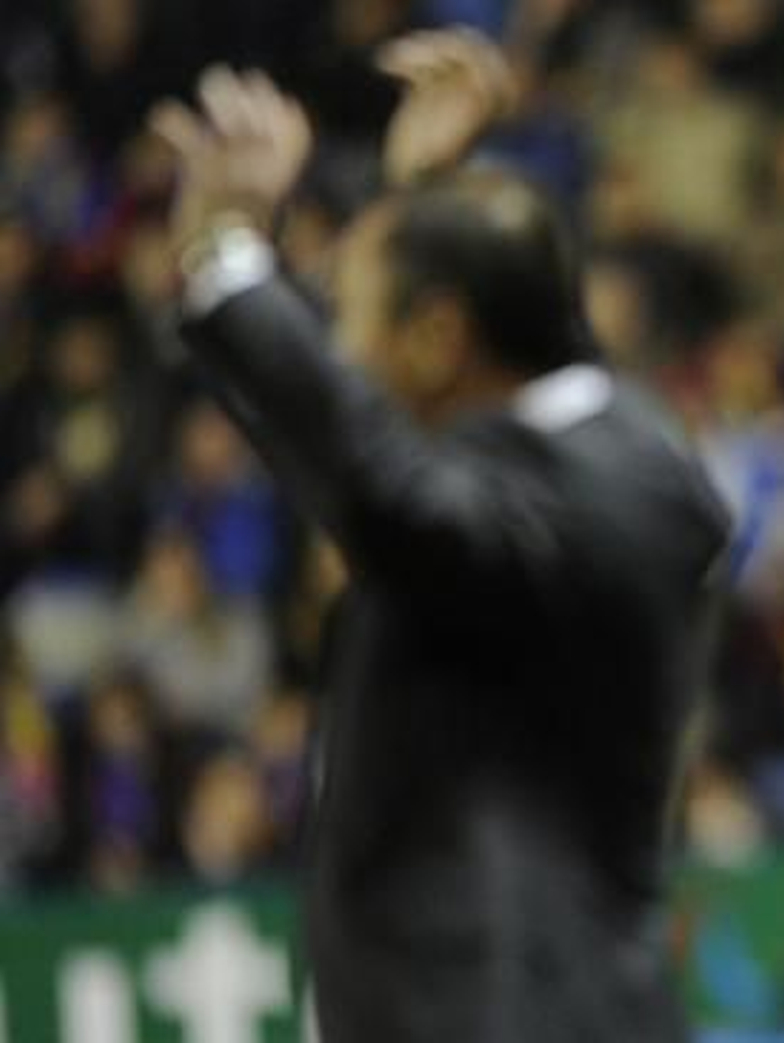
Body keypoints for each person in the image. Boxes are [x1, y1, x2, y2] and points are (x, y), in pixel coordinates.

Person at [150, 32, 729, 1043]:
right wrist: (425, 199)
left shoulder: (619, 494)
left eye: (353, 318)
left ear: (438, 337)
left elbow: (391, 489)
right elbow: (434, 399)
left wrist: (227, 257)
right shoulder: (569, 454)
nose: (340, 349)